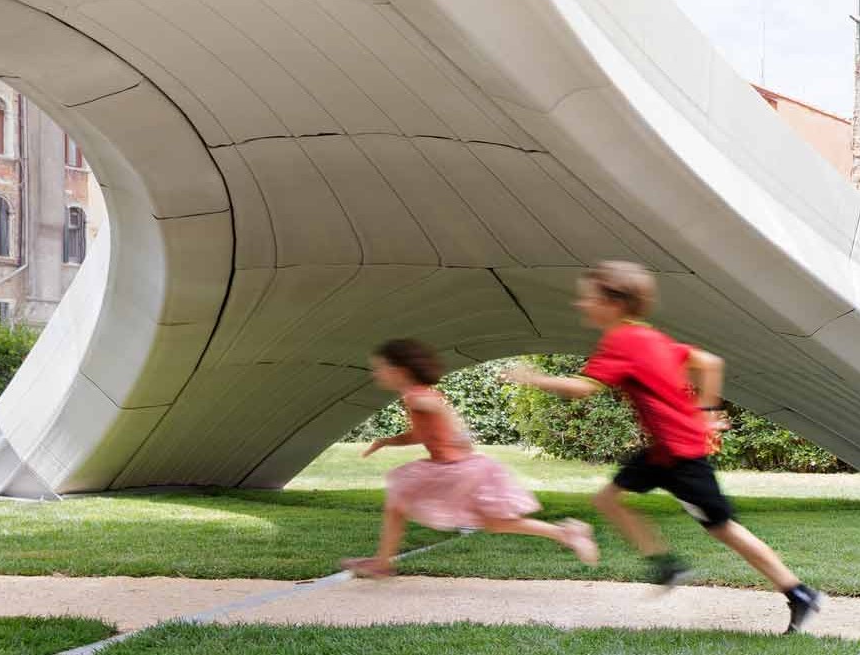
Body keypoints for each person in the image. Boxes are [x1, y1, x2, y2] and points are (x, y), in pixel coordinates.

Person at [503, 261, 824, 634]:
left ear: (614, 302)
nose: (580, 304)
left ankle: (799, 593)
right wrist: (706, 410)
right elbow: (710, 362)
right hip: (663, 451)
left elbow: (583, 389)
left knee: (724, 529)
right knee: (607, 499)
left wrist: (532, 378)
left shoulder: (621, 340)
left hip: (680, 455)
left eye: (587, 297)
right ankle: (666, 565)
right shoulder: (650, 336)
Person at [343, 338, 597, 578]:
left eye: (380, 368)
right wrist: (388, 441)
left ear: (399, 370)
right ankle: (567, 533)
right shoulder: (419, 394)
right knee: (496, 523)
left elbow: (438, 410)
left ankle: (382, 564)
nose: (375, 374)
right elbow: (422, 433)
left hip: (454, 469)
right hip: (469, 468)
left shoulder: (416, 395)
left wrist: (457, 429)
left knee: (397, 499)